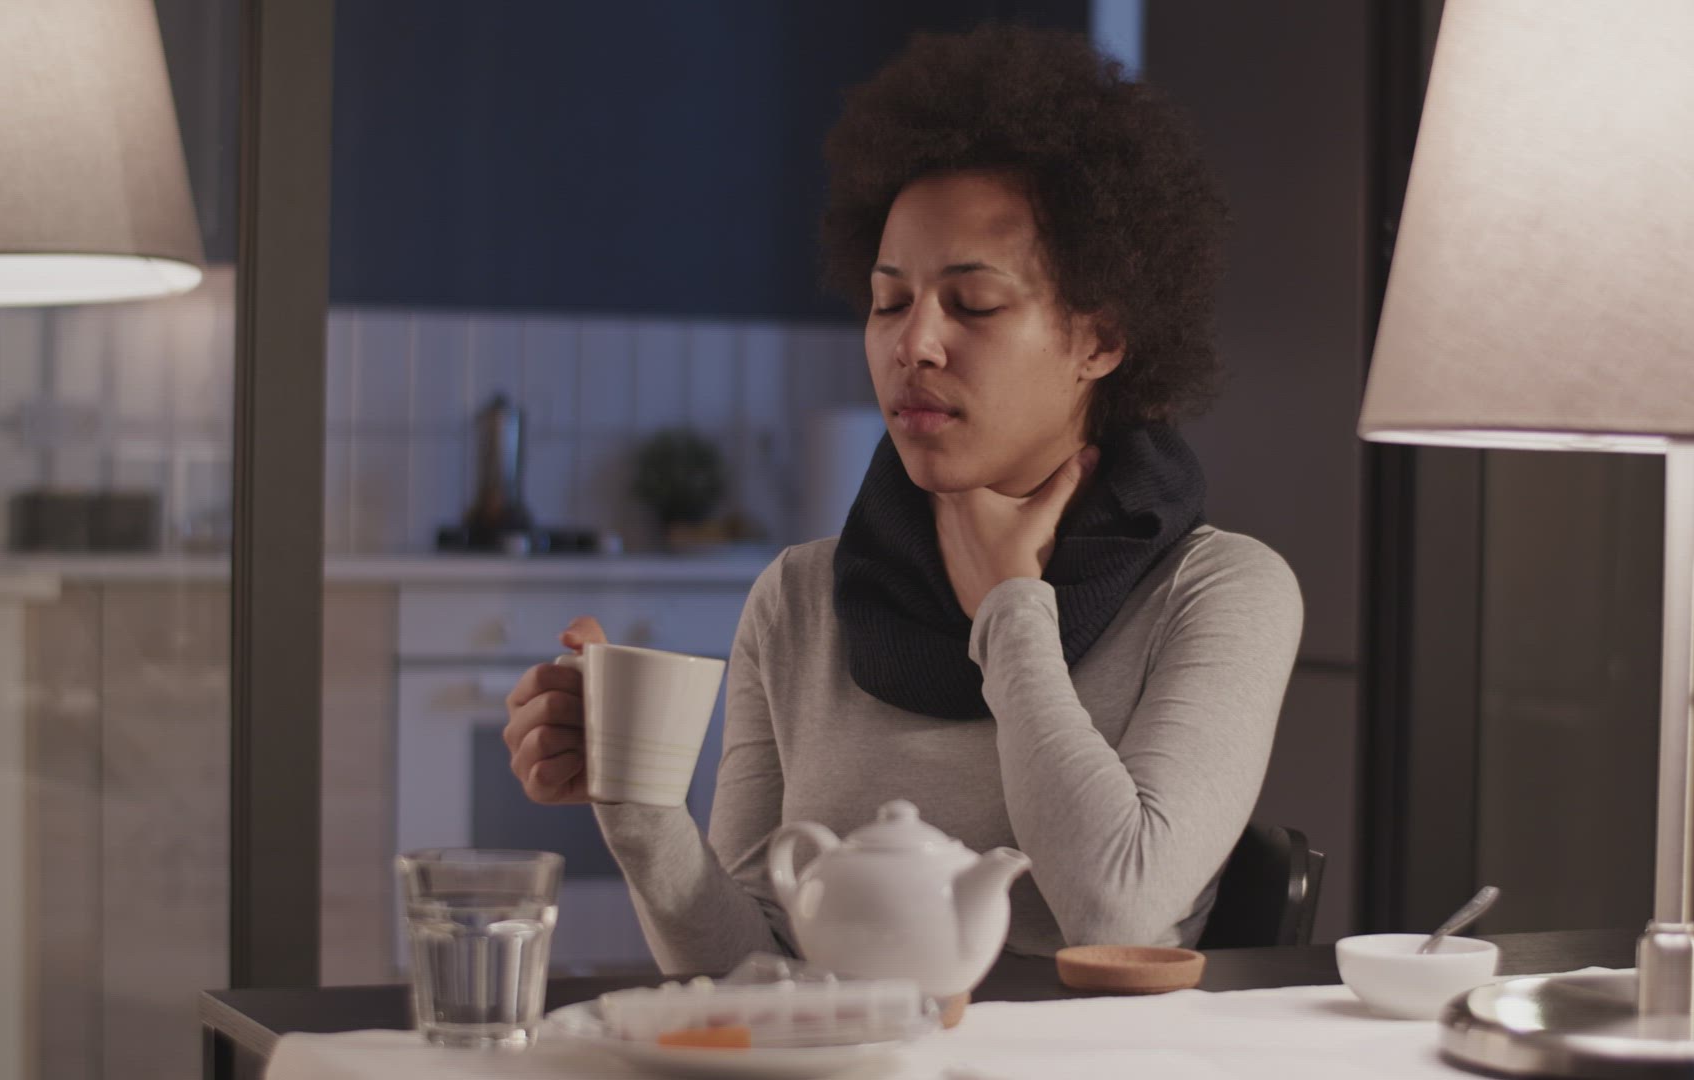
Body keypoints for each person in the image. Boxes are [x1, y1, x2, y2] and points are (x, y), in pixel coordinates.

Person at [503, 24, 1302, 975]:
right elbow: (749, 977)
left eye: (973, 304)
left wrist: (1011, 609)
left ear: (1100, 340)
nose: (912, 344)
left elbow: (1116, 910)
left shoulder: (1221, 592)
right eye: (889, 302)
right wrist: (637, 807)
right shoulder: (799, 600)